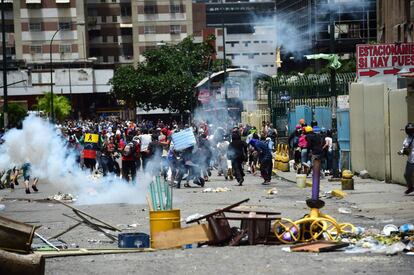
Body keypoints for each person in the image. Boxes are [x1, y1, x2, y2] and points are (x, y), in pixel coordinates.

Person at [398, 122, 414, 195]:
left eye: (412, 130)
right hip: (411, 160)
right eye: (409, 130)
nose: (410, 131)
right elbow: (405, 148)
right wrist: (401, 152)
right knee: (406, 175)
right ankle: (410, 187)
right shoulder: (407, 139)